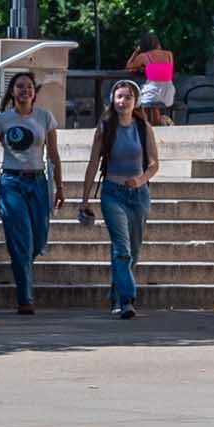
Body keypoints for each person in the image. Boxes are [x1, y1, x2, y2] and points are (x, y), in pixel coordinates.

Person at [0, 70, 59, 315]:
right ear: (12, 91)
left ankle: (24, 271)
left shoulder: (45, 117)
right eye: (20, 86)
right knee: (21, 242)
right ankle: (25, 298)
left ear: (34, 92)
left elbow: (54, 155)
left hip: (38, 182)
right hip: (12, 183)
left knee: (38, 242)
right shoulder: (1, 121)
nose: (25, 90)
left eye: (29, 86)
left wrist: (59, 187)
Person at [76, 80, 157, 319]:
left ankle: (117, 295)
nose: (123, 101)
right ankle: (128, 299)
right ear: (113, 100)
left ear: (136, 101)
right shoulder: (105, 127)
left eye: (128, 97)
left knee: (134, 250)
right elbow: (93, 164)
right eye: (119, 97)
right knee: (122, 248)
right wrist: (84, 200)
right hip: (112, 193)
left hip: (139, 194)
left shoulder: (143, 127)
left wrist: (140, 180)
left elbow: (154, 163)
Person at [126, 32, 177, 124]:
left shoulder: (144, 56)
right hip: (168, 91)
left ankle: (145, 126)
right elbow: (168, 71)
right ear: (158, 43)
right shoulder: (169, 54)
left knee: (136, 102)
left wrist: (136, 52)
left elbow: (129, 67)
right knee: (153, 105)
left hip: (152, 92)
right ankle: (158, 123)